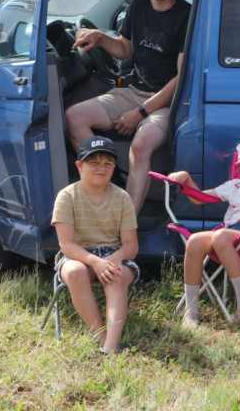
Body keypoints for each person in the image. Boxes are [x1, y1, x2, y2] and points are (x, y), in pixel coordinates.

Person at [66, 0, 191, 213]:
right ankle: (107, 197)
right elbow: (124, 49)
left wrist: (140, 113)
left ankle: (127, 222)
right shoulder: (138, 5)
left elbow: (181, 77)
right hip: (134, 91)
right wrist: (99, 37)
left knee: (140, 146)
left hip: (169, 100)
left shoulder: (186, 15)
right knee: (74, 116)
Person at [168, 133, 240, 326]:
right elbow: (199, 199)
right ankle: (191, 312)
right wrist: (186, 179)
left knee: (221, 235)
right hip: (230, 236)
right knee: (195, 241)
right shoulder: (235, 186)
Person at [51, 136, 139, 354]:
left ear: (114, 168)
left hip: (113, 252)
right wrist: (95, 262)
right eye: (94, 162)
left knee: (116, 274)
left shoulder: (122, 197)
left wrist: (115, 258)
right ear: (79, 166)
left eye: (108, 163)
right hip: (78, 254)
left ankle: (110, 348)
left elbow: (131, 245)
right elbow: (67, 244)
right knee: (75, 272)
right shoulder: (67, 196)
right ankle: (104, 341)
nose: (102, 168)